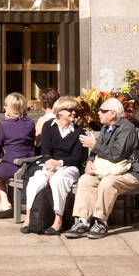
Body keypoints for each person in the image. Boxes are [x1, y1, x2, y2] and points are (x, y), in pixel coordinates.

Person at [67, 97, 139, 240]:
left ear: (113, 114)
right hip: (110, 170)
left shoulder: (127, 128)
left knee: (108, 183)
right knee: (85, 180)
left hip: (131, 172)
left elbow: (117, 154)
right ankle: (83, 221)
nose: (99, 113)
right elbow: (98, 152)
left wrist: (94, 144)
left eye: (103, 111)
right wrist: (90, 162)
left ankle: (101, 221)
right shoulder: (106, 127)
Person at [21, 96, 83, 235]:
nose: (73, 113)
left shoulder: (78, 130)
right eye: (70, 110)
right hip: (49, 164)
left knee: (57, 180)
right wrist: (51, 168)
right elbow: (46, 151)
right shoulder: (48, 127)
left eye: (74, 110)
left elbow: (77, 158)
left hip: (69, 167)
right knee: (35, 180)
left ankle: (58, 221)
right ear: (60, 111)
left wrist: (59, 163)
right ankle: (28, 218)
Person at [0, 93, 34, 220]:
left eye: (6, 105)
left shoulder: (4, 125)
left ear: (11, 108)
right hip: (27, 165)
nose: (4, 108)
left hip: (11, 165)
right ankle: (6, 205)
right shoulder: (30, 123)